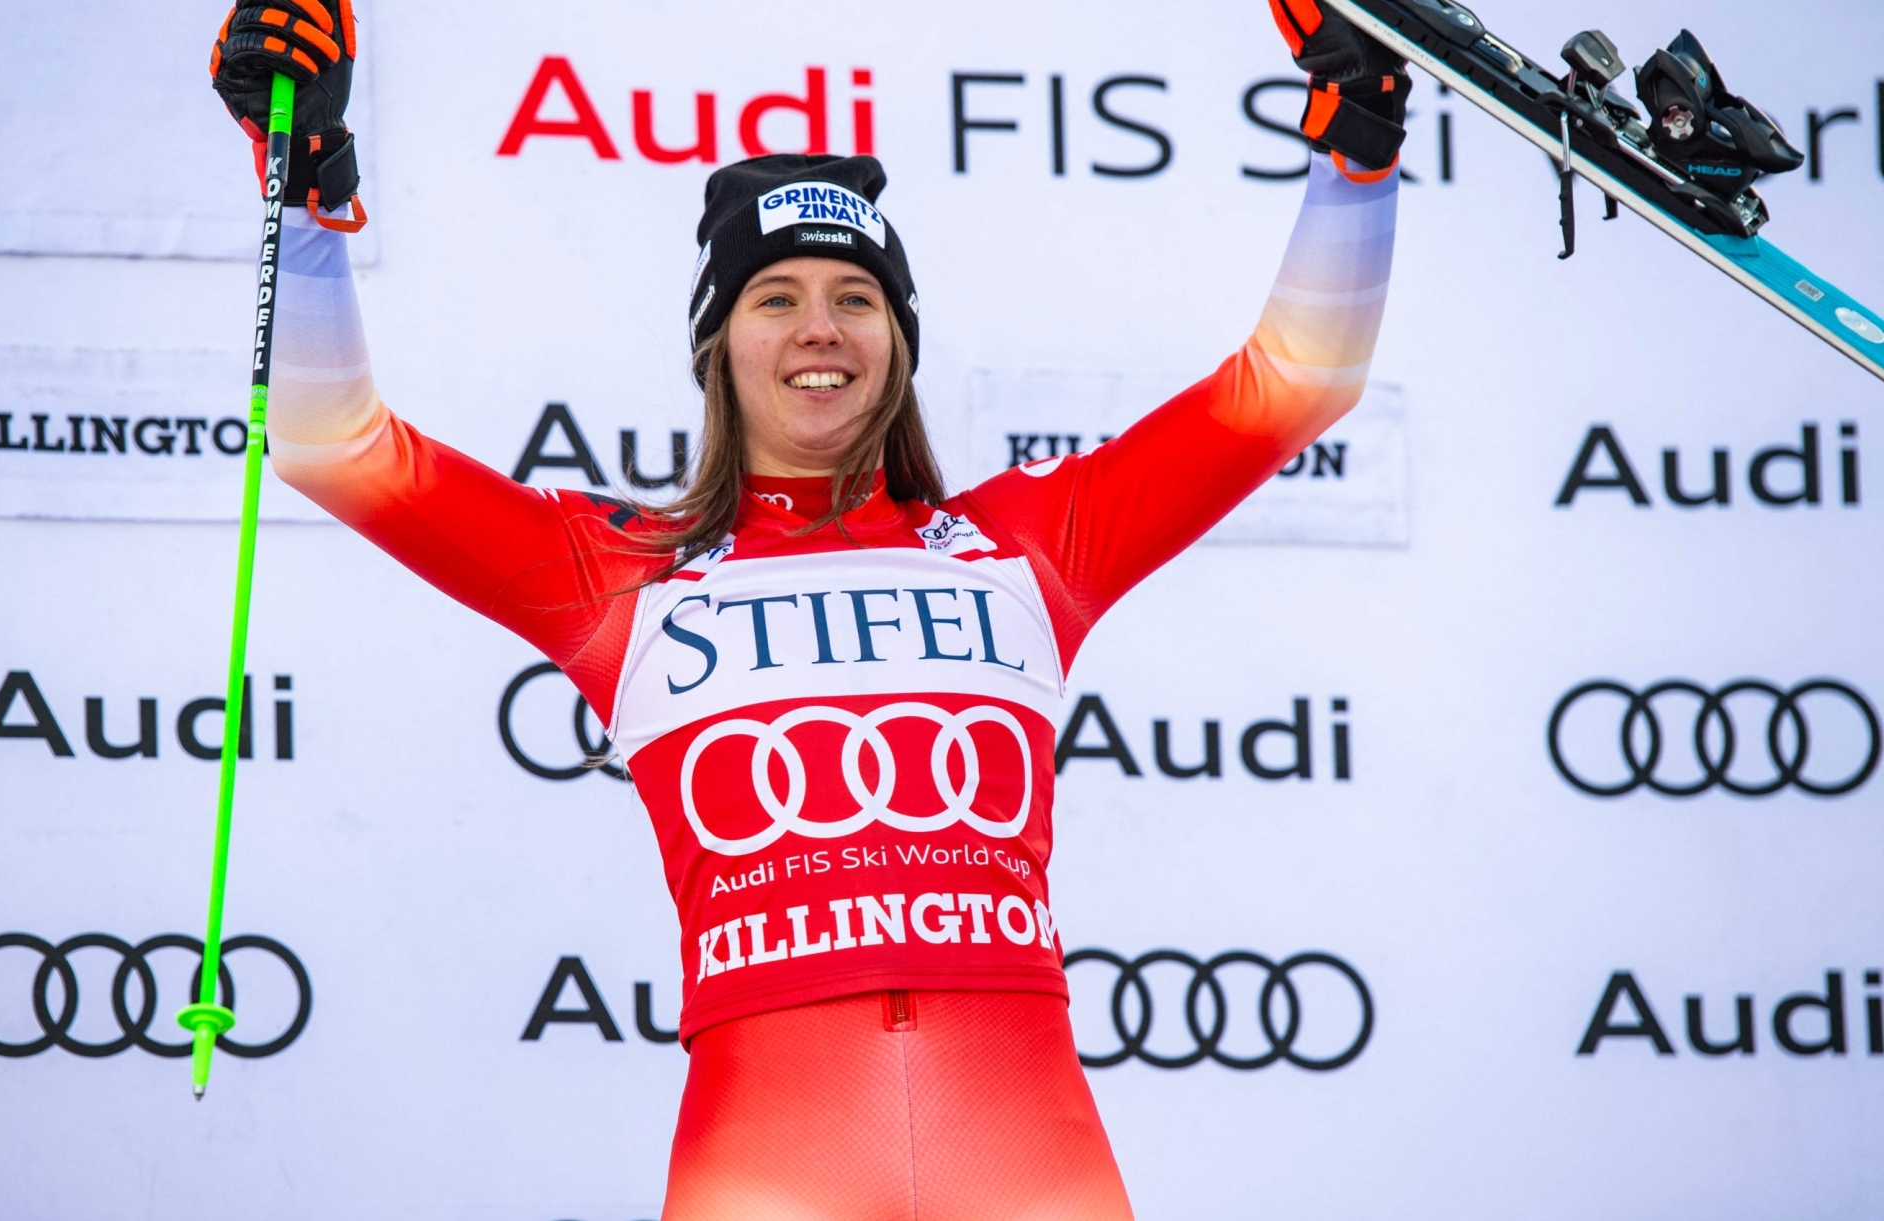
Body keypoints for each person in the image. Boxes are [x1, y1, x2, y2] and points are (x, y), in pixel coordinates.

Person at [209, 1, 1406, 1215]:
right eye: (774, 298)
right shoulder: (621, 573)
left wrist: (1357, 153)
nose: (820, 328)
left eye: (856, 295)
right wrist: (301, 195)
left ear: (898, 337)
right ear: (718, 345)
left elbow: (1298, 380)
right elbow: (332, 441)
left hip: (1022, 1141)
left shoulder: (1029, 545)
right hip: (770, 1154)